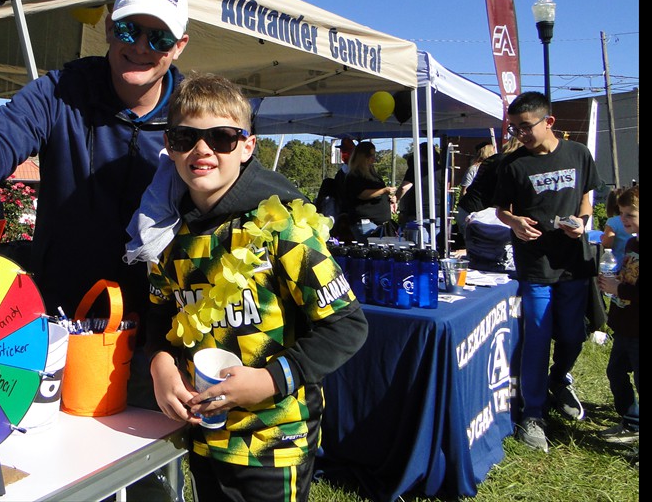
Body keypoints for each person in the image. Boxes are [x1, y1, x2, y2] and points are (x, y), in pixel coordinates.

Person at [0, 0, 189, 410]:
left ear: (178, 46)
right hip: (58, 322)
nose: (141, 46)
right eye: (128, 30)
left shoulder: (191, 112)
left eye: (158, 37)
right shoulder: (61, 91)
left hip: (155, 337)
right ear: (108, 28)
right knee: (48, 454)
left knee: (146, 467)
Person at [142, 72, 367, 502]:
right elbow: (159, 316)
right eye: (186, 136)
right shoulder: (165, 236)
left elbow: (347, 325)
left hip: (273, 443)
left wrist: (270, 379)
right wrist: (160, 364)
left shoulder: (283, 227)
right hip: (203, 436)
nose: (203, 149)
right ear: (169, 146)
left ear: (247, 147)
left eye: (223, 137)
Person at [493, 91, 603, 453]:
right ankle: (533, 414)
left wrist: (583, 223)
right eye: (515, 128)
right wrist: (514, 222)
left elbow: (587, 194)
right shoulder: (513, 165)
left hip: (573, 261)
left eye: (525, 127)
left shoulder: (578, 154)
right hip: (535, 262)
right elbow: (501, 210)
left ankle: (559, 380)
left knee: (573, 334)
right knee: (537, 338)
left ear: (548, 122)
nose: (519, 134)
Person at [596, 185, 639, 446]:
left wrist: (618, 287)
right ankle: (631, 421)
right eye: (622, 214)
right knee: (615, 371)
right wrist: (616, 281)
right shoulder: (633, 242)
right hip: (625, 324)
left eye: (630, 215)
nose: (623, 220)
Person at [396, 140, 447, 246]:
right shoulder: (441, 169)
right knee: (436, 243)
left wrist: (395, 199)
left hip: (418, 210)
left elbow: (404, 187)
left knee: (421, 245)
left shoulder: (415, 169)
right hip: (437, 210)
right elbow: (446, 189)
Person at [341, 140, 395, 239]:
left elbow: (378, 192)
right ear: (362, 157)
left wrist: (389, 198)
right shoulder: (355, 175)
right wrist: (383, 191)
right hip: (366, 223)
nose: (374, 159)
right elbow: (362, 194)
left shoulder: (372, 173)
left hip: (379, 223)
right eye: (371, 155)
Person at [599, 188, 634, 261]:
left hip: (617, 262)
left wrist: (603, 238)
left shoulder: (613, 222)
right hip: (632, 261)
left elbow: (607, 244)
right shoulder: (633, 219)